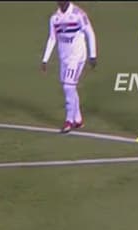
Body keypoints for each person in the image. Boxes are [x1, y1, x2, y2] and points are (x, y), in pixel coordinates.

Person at [41, 1, 98, 133]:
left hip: (77, 56)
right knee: (69, 87)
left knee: (68, 86)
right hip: (64, 58)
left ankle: (69, 121)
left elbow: (89, 32)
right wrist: (45, 59)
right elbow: (52, 38)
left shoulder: (78, 14)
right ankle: (78, 119)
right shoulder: (54, 18)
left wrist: (93, 55)